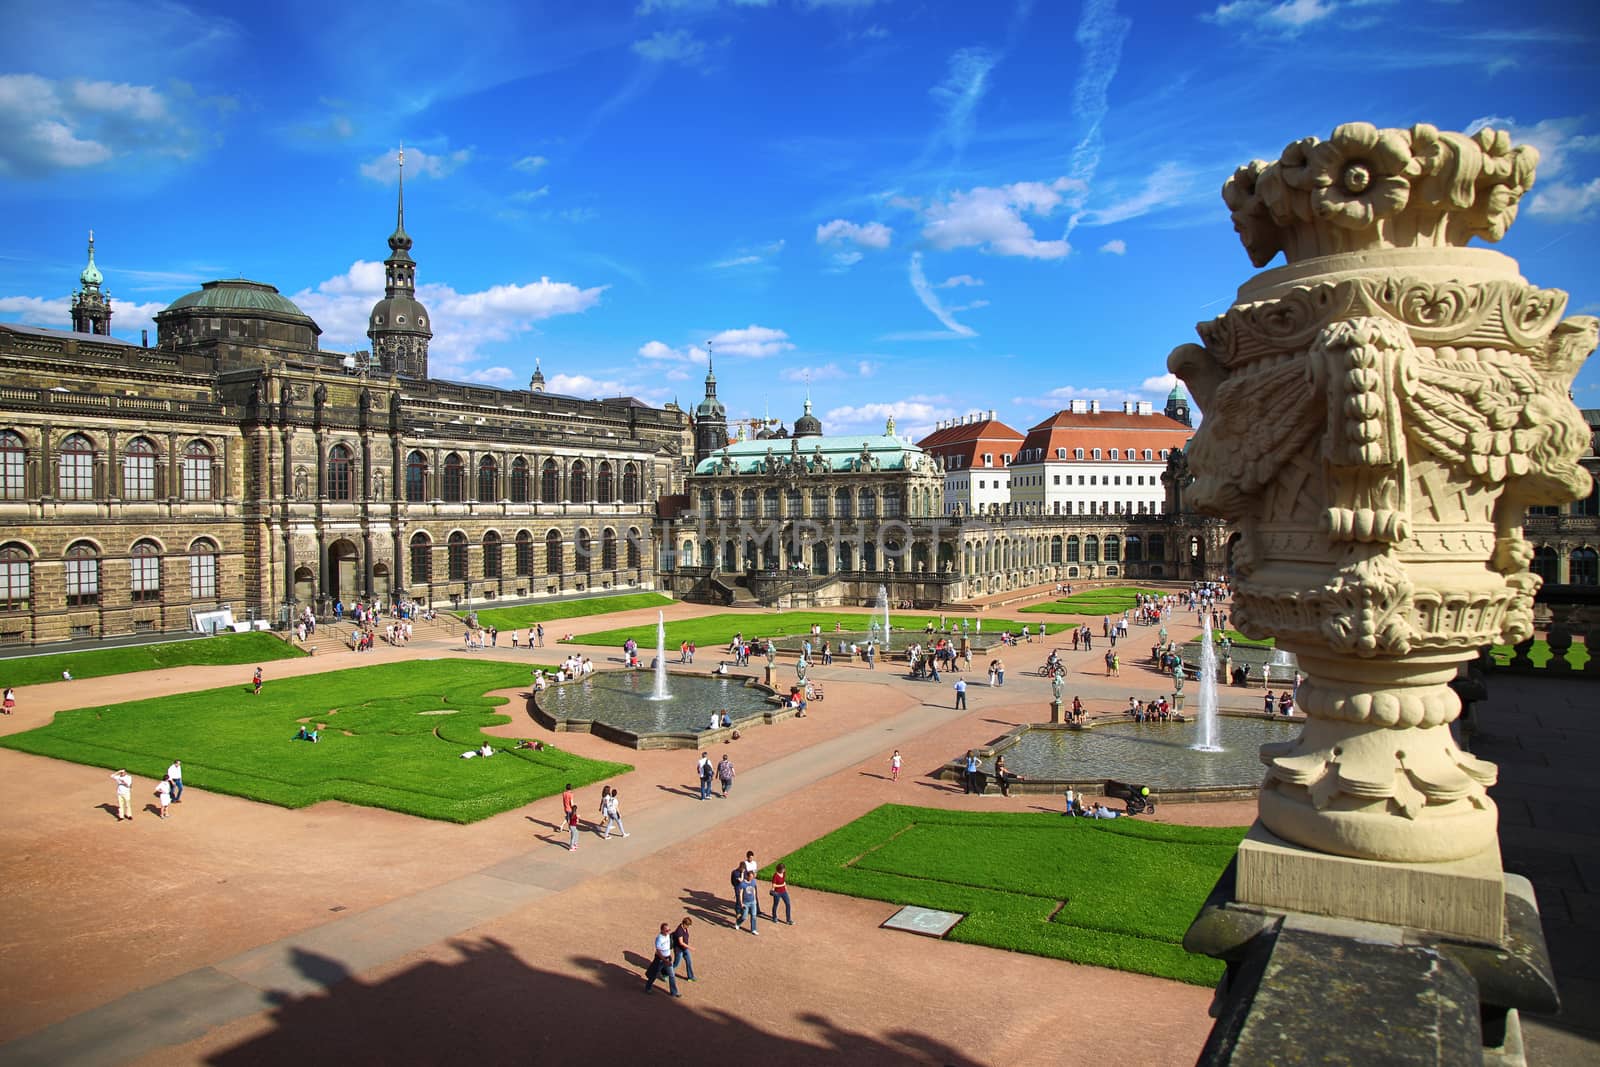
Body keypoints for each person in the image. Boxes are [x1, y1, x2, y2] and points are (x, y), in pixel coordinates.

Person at [643, 922, 681, 996]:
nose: (668, 931)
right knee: (654, 974)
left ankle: (674, 992)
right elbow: (659, 952)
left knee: (672, 975)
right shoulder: (659, 938)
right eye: (666, 930)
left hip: (667, 958)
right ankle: (648, 987)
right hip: (660, 959)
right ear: (662, 930)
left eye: (669, 930)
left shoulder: (668, 935)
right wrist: (665, 960)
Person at [671, 917, 696, 981]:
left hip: (684, 949)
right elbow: (681, 942)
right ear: (684, 923)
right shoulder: (679, 930)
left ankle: (690, 976)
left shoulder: (685, 928)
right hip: (679, 950)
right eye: (687, 925)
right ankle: (666, 973)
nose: (688, 927)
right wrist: (690, 947)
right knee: (676, 964)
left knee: (689, 962)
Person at [736, 869, 761, 935]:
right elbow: (740, 894)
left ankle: (753, 929)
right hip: (746, 903)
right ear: (747, 876)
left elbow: (754, 890)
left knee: (754, 915)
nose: (751, 878)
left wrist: (755, 899)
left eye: (752, 877)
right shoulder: (743, 884)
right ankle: (738, 922)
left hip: (753, 902)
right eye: (750, 877)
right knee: (744, 917)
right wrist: (741, 903)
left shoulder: (753, 882)